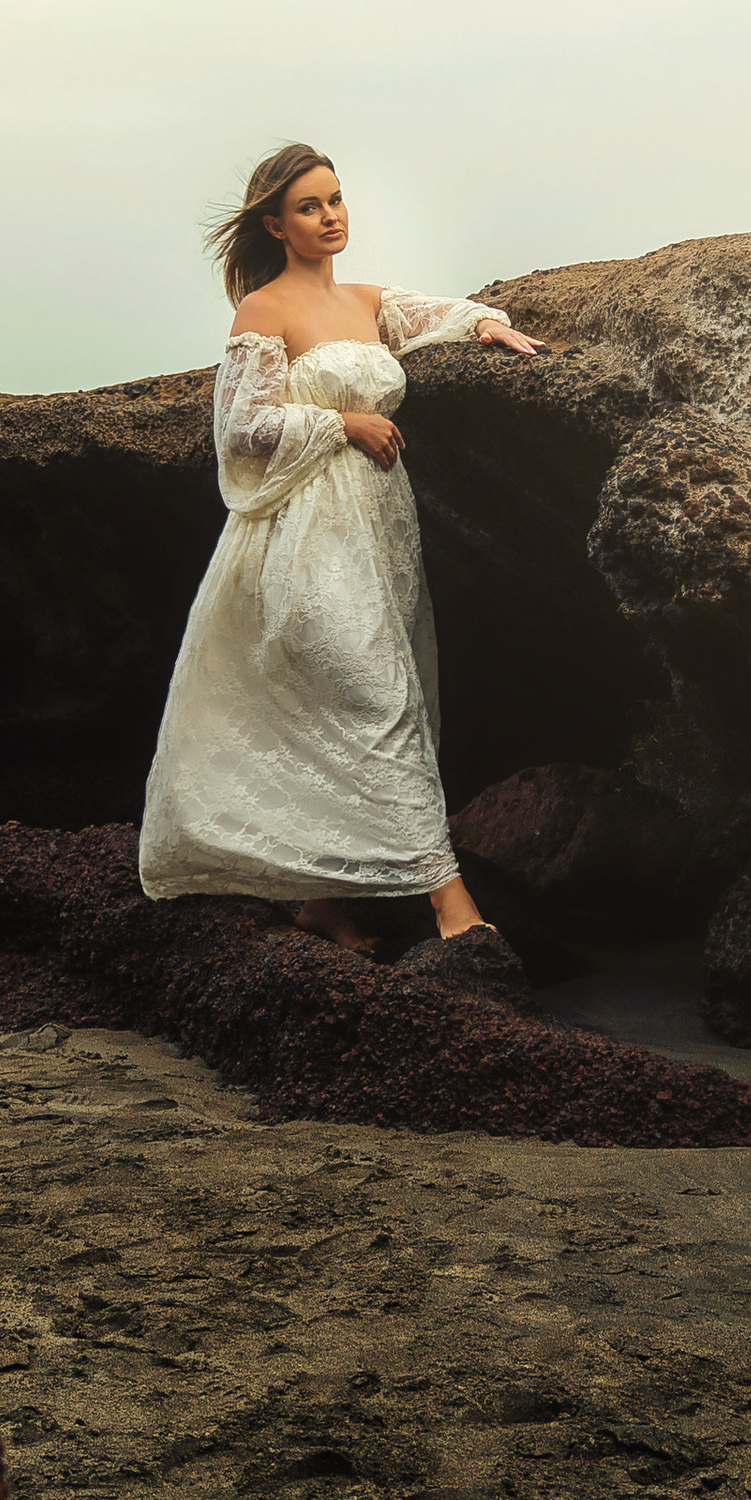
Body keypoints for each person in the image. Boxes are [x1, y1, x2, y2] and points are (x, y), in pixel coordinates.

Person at [137, 143, 542, 954]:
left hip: (380, 529)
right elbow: (241, 427)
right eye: (311, 207)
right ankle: (449, 901)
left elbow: (439, 314)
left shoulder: (366, 301)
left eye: (336, 199)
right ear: (274, 224)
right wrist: (340, 422)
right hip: (302, 534)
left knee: (370, 699)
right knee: (375, 696)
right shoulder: (263, 312)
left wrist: (489, 324)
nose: (331, 217)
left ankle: (320, 901)